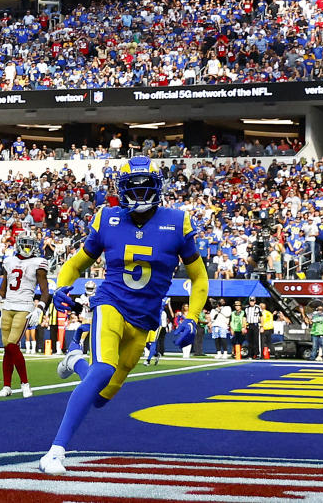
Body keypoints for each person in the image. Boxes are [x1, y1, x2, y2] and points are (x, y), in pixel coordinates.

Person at [41, 157, 208, 474]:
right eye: (134, 189)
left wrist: (193, 317)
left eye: (146, 189)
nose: (141, 195)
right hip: (111, 303)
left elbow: (199, 277)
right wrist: (61, 287)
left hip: (144, 320)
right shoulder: (107, 218)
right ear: (122, 189)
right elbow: (76, 263)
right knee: (103, 368)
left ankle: (75, 359)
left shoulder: (178, 222)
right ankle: (55, 451)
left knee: (102, 396)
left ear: (157, 189)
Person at [0, 234, 51, 398]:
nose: (26, 248)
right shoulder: (9, 261)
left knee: (12, 345)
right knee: (7, 349)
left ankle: (25, 384)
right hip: (7, 306)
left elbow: (45, 292)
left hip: (24, 306)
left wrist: (39, 309)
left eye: (29, 245)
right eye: (24, 244)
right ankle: (6, 386)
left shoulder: (38, 263)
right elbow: (2, 289)